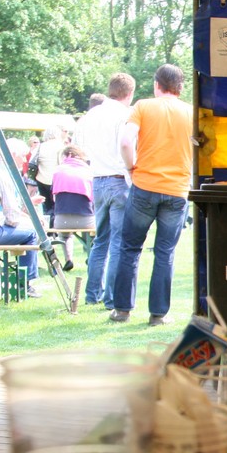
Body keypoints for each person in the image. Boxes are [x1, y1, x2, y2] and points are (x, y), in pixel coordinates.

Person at [110, 64, 192, 326]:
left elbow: (126, 142)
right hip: (177, 189)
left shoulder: (143, 107)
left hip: (145, 185)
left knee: (130, 248)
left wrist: (130, 167)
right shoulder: (191, 112)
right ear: (180, 87)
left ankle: (122, 310)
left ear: (157, 85)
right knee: (165, 252)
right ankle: (158, 314)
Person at [74, 72, 136, 308]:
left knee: (100, 240)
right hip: (119, 179)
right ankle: (111, 297)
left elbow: (80, 146)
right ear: (129, 93)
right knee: (118, 242)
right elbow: (127, 146)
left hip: (97, 179)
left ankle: (92, 294)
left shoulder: (91, 115)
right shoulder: (125, 115)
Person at [0, 139, 41, 298]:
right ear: (12, 155)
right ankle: (26, 284)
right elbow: (12, 216)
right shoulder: (3, 175)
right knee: (32, 232)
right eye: (23, 156)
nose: (25, 160)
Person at [51, 145, 95, 271]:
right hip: (86, 220)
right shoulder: (88, 171)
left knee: (65, 236)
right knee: (97, 233)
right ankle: (92, 255)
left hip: (62, 220)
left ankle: (68, 259)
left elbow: (53, 197)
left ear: (66, 156)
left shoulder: (58, 171)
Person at [33, 124, 70, 222]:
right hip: (56, 181)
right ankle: (56, 224)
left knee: (46, 205)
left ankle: (47, 224)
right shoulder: (61, 146)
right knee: (57, 205)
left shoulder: (40, 146)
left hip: (41, 179)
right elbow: (63, 163)